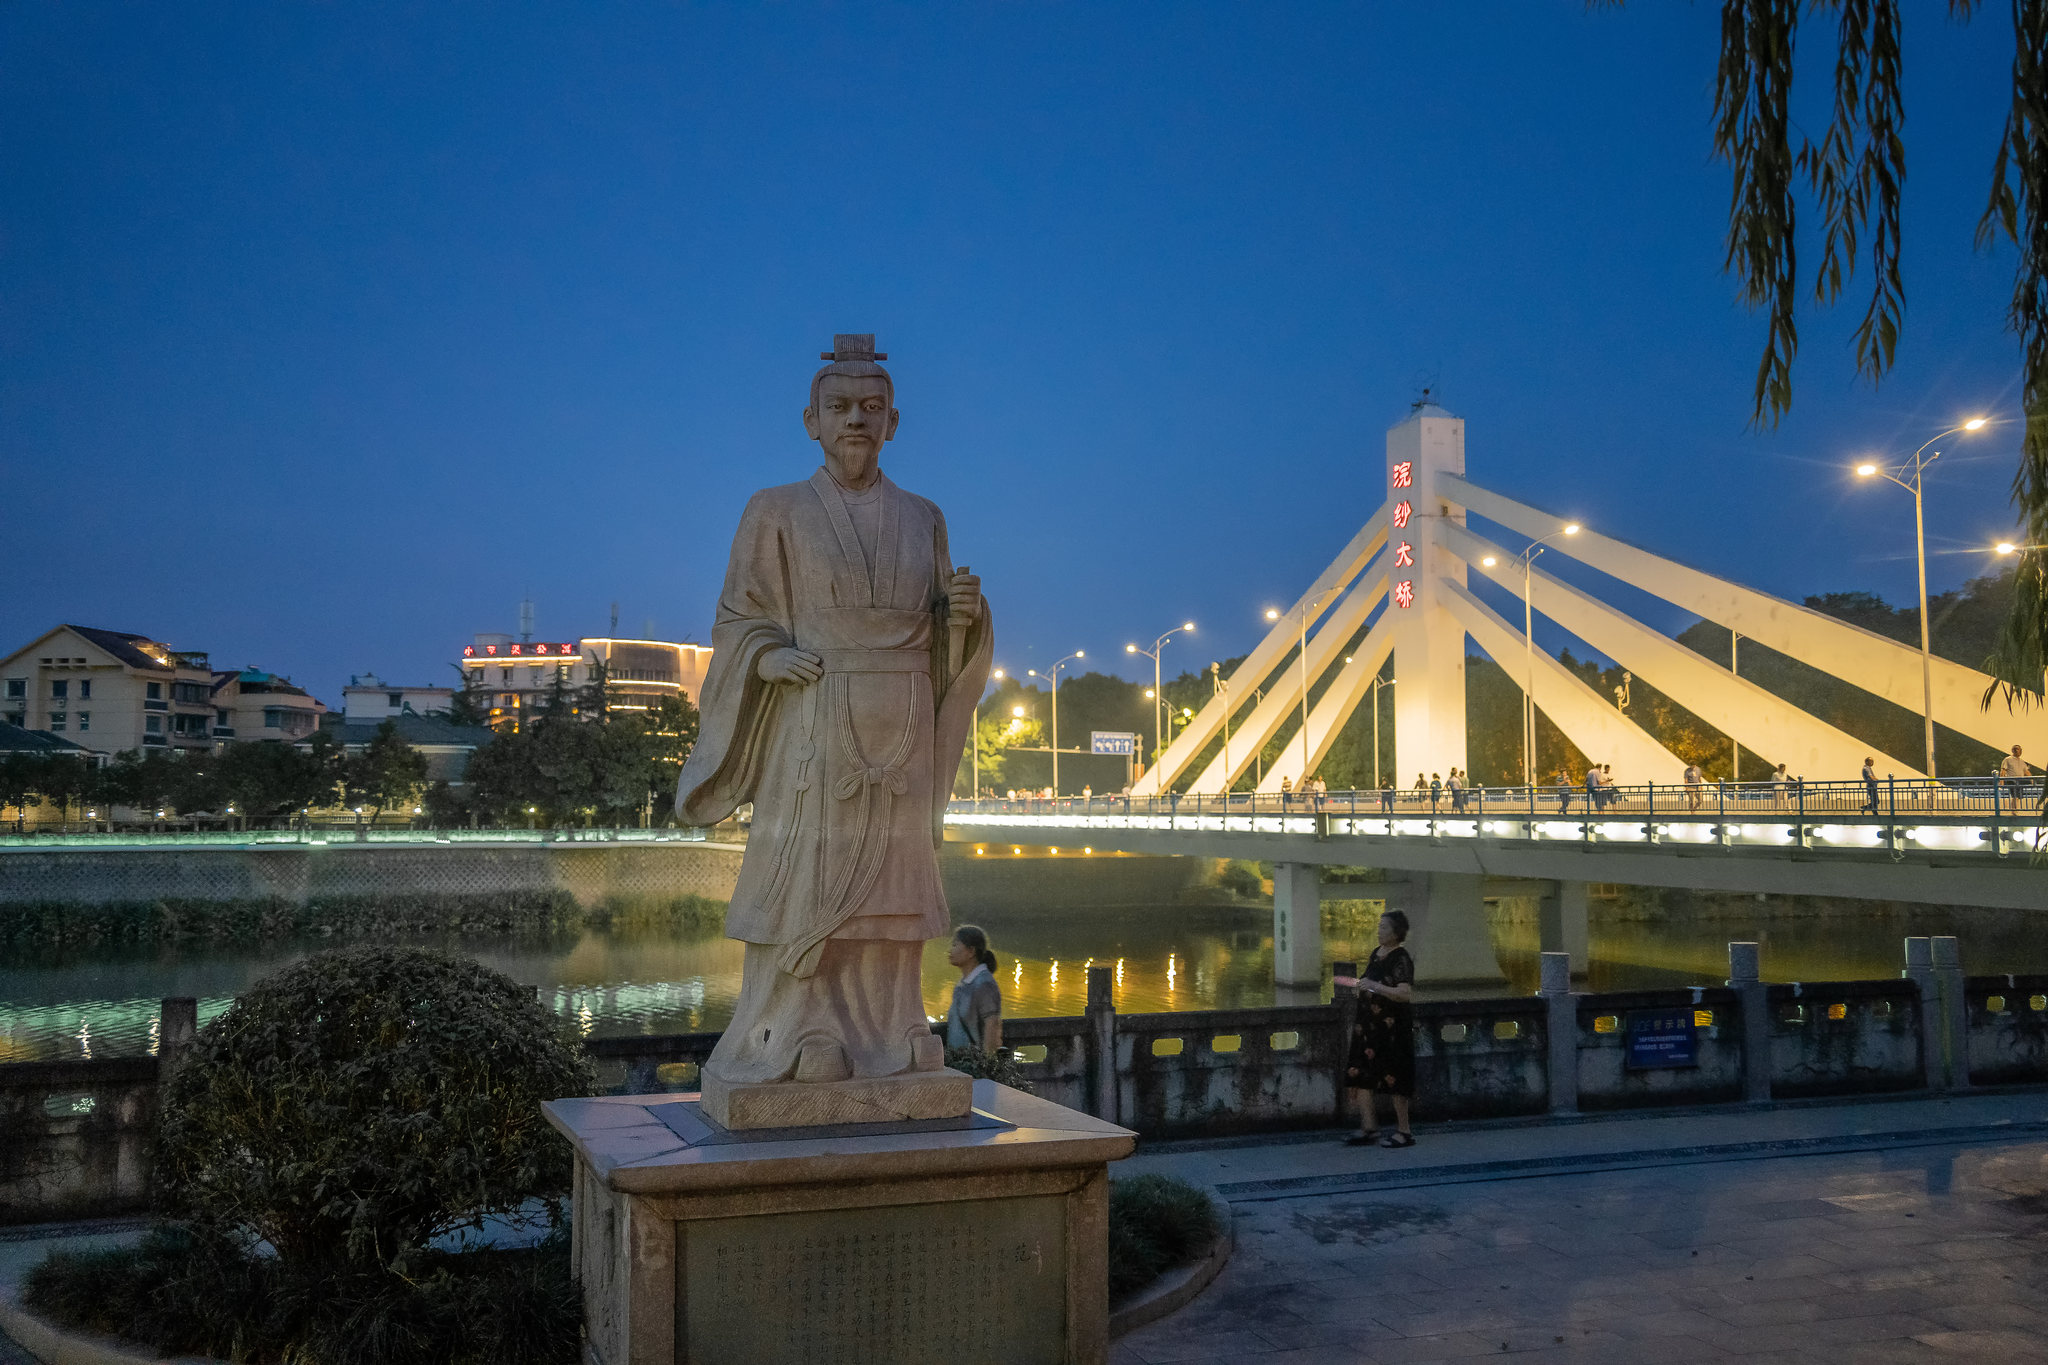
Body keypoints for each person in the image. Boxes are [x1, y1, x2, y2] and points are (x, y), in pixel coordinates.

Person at [675, 334, 992, 1093]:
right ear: (810, 420)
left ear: (893, 421)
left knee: (895, 882)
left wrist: (964, 620)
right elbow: (736, 616)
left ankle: (898, 1026)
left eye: (872, 408)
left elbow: (945, 633)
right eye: (840, 407)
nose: (857, 419)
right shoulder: (775, 509)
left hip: (904, 715)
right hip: (816, 715)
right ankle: (801, 1029)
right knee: (812, 878)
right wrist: (763, 656)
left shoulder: (925, 516)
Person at [1336, 909, 1416, 1148]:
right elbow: (1369, 981)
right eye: (1379, 927)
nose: (1379, 931)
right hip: (1368, 1026)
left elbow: (1404, 993)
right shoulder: (1376, 954)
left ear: (1396, 933)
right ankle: (1369, 1127)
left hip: (1391, 1027)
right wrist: (1361, 986)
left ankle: (1404, 1131)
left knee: (1395, 1076)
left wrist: (1375, 987)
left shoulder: (1401, 958)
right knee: (1361, 1072)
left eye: (1384, 928)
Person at [944, 925, 1003, 1055]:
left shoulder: (984, 984)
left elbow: (992, 1025)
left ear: (971, 951)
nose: (950, 951)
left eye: (955, 945)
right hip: (960, 1066)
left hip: (974, 1069)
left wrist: (986, 1065)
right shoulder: (963, 985)